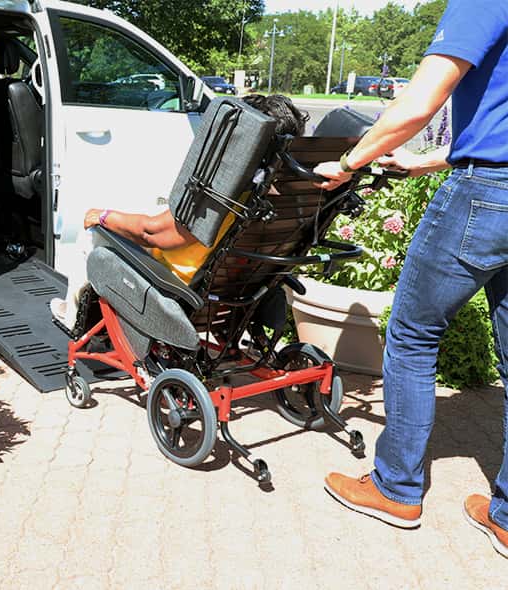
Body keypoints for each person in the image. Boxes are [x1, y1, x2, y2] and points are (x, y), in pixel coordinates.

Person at [314, 1, 508, 557]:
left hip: (486, 196)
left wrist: (349, 163)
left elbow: (419, 103)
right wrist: (425, 163)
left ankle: (395, 488)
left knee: (413, 334)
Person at [50, 94, 308, 329]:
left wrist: (103, 216)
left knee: (94, 234)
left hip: (175, 286)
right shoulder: (284, 201)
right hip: (237, 290)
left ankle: (73, 318)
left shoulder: (221, 197)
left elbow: (152, 233)